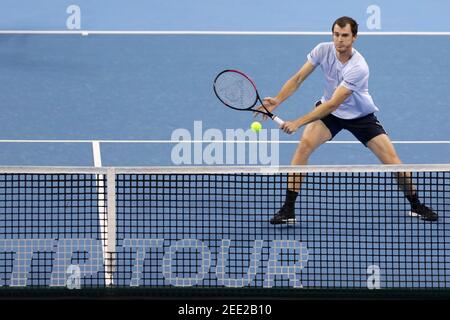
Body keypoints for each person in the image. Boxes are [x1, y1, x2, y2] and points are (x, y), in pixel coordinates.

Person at [256, 16, 438, 223]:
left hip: (360, 116)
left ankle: (416, 204)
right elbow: (298, 78)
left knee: (393, 162)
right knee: (304, 146)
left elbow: (334, 103)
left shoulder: (358, 67)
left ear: (354, 37)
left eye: (345, 35)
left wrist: (298, 122)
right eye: (336, 34)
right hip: (329, 115)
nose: (339, 40)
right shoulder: (322, 50)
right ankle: (288, 210)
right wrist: (277, 100)